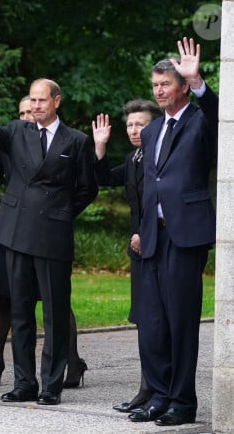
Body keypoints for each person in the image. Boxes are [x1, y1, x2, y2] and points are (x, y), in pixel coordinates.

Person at [0, 69, 97, 405]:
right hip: (15, 231)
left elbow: (87, 188)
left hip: (53, 235)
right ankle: (24, 383)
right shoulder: (17, 130)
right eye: (33, 100)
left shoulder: (76, 140)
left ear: (56, 101)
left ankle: (51, 386)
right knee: (21, 312)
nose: (37, 105)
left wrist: (62, 212)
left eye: (43, 100)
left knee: (55, 313)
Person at [127, 38, 217, 426]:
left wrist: (199, 81)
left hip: (186, 236)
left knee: (181, 322)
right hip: (153, 237)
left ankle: (183, 402)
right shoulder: (151, 132)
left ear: (182, 86)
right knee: (153, 321)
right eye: (156, 85)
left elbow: (220, 116)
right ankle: (159, 397)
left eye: (166, 84)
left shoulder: (200, 120)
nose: (159, 91)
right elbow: (149, 183)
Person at [92, 99, 163, 412]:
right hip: (138, 250)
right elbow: (104, 178)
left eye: (141, 124)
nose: (135, 130)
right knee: (142, 320)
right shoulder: (134, 158)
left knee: (157, 320)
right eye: (131, 125)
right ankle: (146, 389)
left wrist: (146, 232)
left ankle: (156, 389)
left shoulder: (161, 157)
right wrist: (100, 147)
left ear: (155, 127)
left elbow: (161, 200)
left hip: (159, 246)